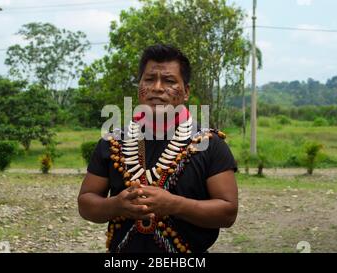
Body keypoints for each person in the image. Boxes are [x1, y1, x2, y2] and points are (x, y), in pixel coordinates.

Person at [77, 44, 238, 253]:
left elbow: (228, 212)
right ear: (140, 87)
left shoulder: (209, 144)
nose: (157, 88)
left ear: (186, 91)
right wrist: (116, 205)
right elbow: (85, 203)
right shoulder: (113, 142)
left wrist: (174, 205)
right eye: (149, 79)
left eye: (169, 81)